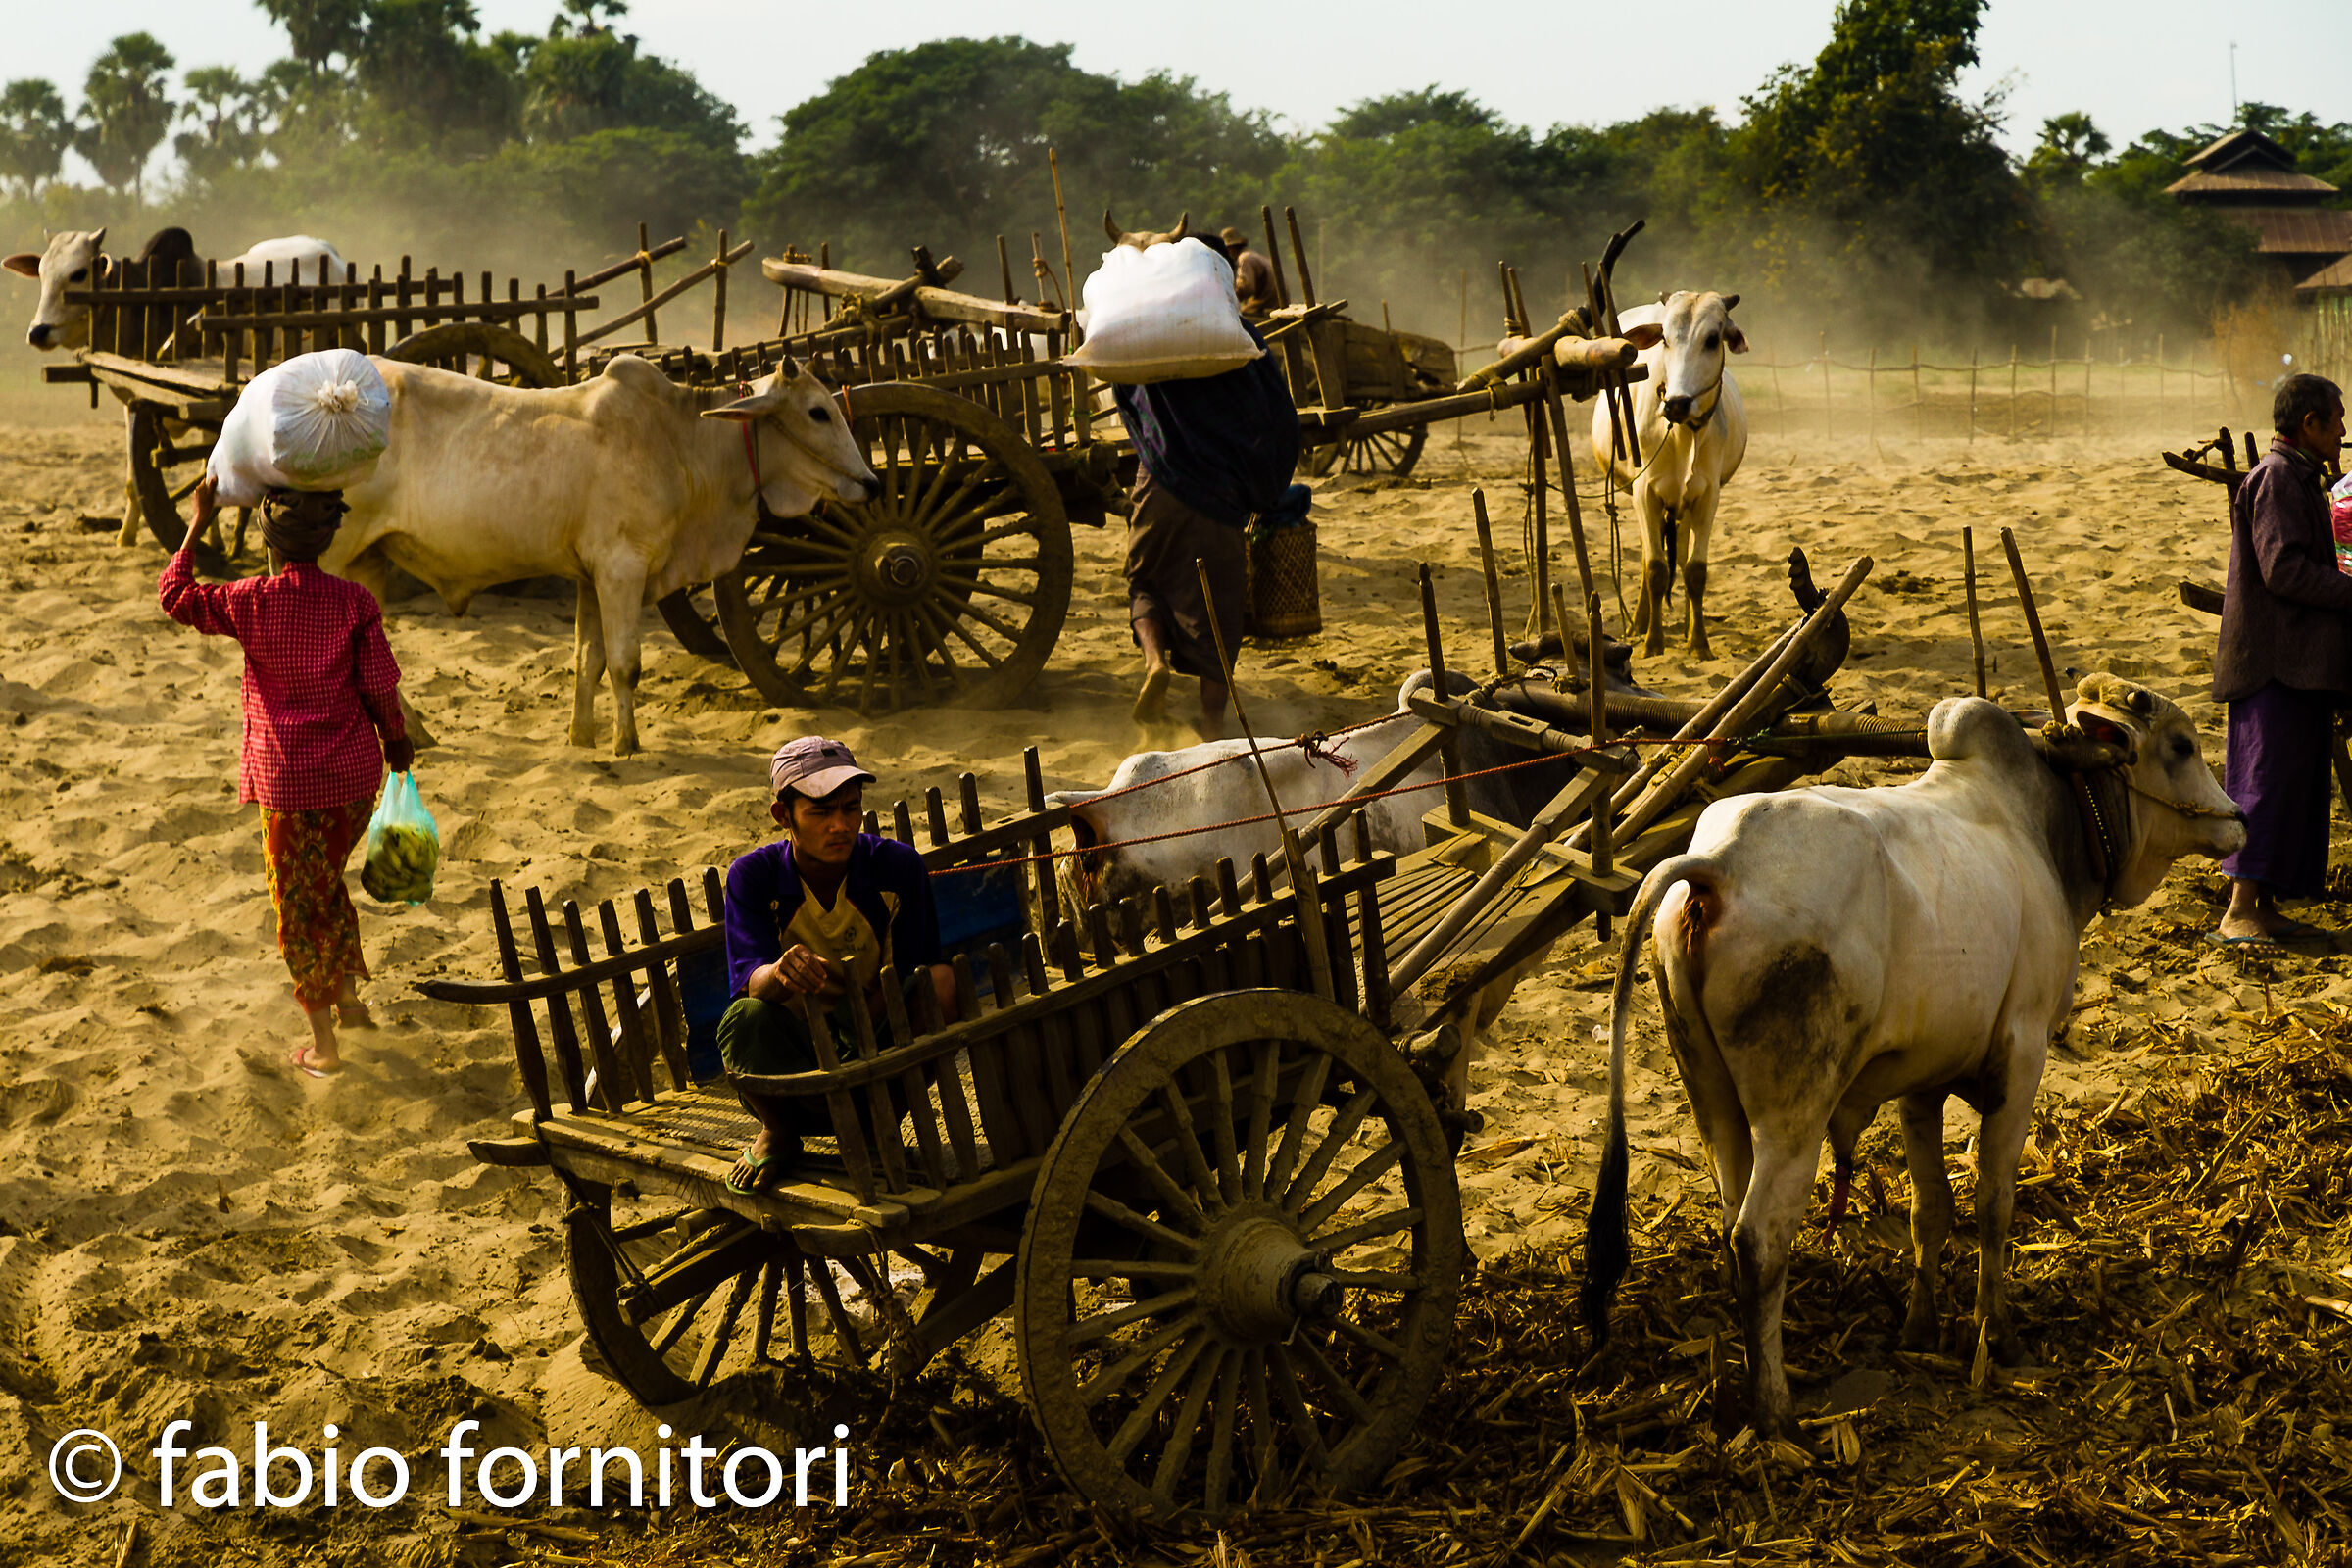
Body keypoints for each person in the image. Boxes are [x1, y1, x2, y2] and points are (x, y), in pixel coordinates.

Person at [159, 477, 413, 1076]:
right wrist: (397, 742)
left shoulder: (249, 600)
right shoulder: (355, 603)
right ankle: (349, 1001)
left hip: (288, 789)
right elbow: (380, 688)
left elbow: (176, 596)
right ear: (328, 536)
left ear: (270, 539)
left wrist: (198, 520)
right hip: (352, 784)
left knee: (298, 907)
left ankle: (324, 1046)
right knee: (324, 882)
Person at [717, 737, 957, 1194]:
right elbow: (748, 979)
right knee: (743, 1019)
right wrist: (778, 973)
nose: (841, 825)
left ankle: (874, 1128)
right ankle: (779, 1131)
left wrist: (861, 1022)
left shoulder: (896, 866)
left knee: (942, 985)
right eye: (821, 812)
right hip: (795, 1060)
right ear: (783, 816)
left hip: (879, 1047)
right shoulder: (752, 877)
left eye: (850, 808)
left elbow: (917, 972)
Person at [1115, 287, 1300, 737]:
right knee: (1219, 609)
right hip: (1219, 495)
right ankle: (1213, 722)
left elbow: (1129, 402)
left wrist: (1155, 451)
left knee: (1146, 581)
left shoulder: (1147, 336)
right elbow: (1278, 416)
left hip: (1154, 484)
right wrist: (1264, 485)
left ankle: (1156, 662)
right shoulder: (1237, 336)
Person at [2212, 372, 2349, 944]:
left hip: (2295, 661)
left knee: (2291, 781)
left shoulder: (2299, 477)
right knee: (2264, 781)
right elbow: (2284, 570)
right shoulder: (2277, 479)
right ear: (2309, 424)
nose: (2343, 431)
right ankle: (2242, 910)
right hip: (2274, 661)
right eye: (2337, 420)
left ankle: (2262, 906)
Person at [1220, 226, 1280, 320]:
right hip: (1274, 301)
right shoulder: (1252, 255)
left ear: (1232, 247)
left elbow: (1246, 288)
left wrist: (1227, 302)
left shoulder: (1245, 259)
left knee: (1231, 315)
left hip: (1267, 303)